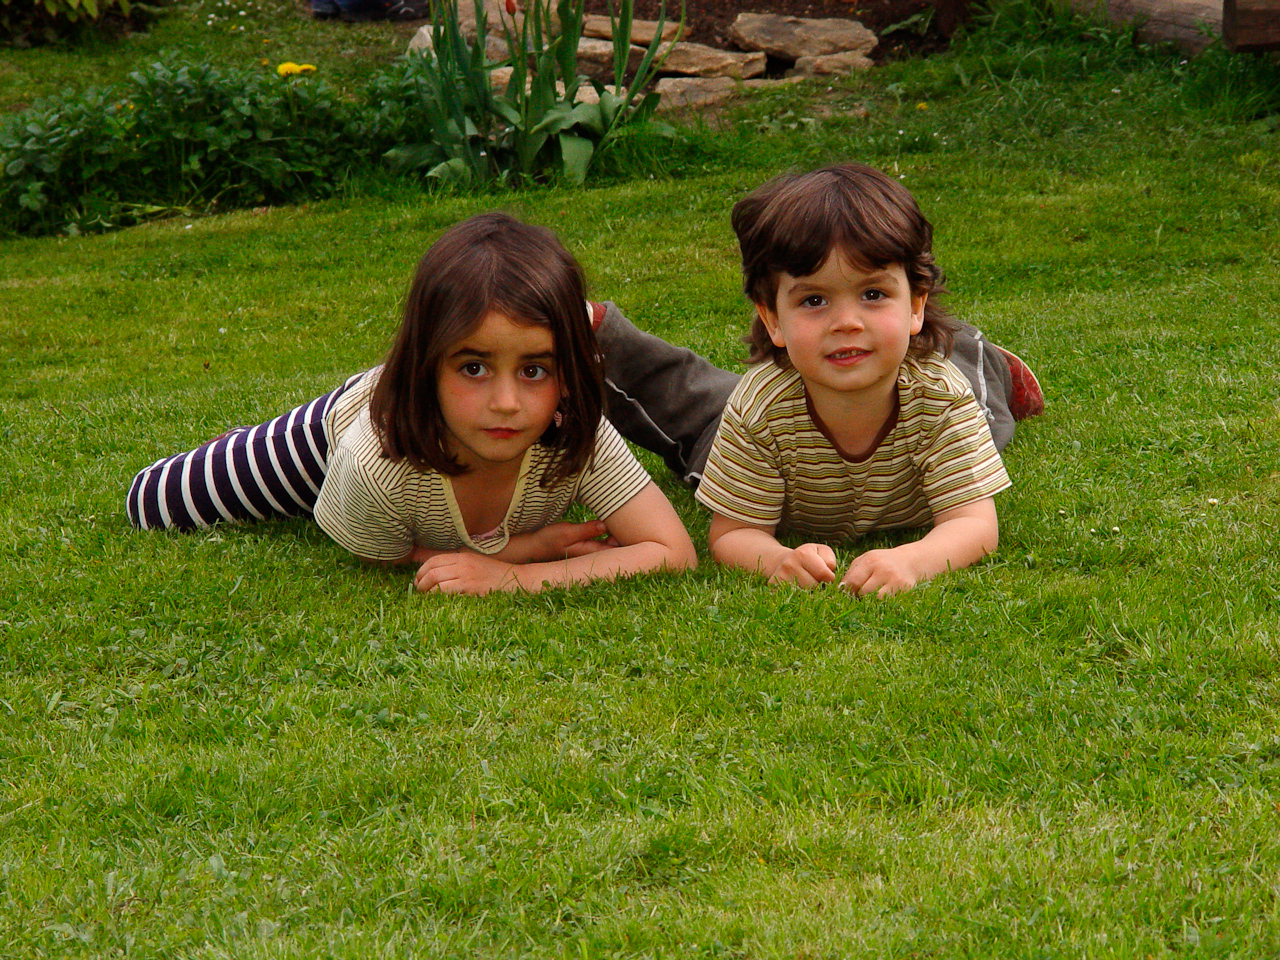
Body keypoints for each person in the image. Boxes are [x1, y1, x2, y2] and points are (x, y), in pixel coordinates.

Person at [126, 213, 696, 595]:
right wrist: (523, 551)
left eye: (534, 370)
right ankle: (248, 444)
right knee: (158, 503)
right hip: (334, 438)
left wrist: (509, 579)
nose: (506, 403)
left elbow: (673, 551)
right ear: (426, 366)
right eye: (473, 367)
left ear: (569, 375)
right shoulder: (374, 460)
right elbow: (385, 555)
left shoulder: (578, 432)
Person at [595, 162, 1043, 597]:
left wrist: (913, 560)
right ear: (772, 319)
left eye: (873, 294)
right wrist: (776, 559)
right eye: (814, 300)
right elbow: (732, 534)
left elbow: (974, 523)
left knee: (984, 412)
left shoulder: (941, 397)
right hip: (786, 398)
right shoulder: (758, 410)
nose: (846, 322)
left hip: (933, 372)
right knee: (712, 418)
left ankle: (985, 358)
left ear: (915, 305)